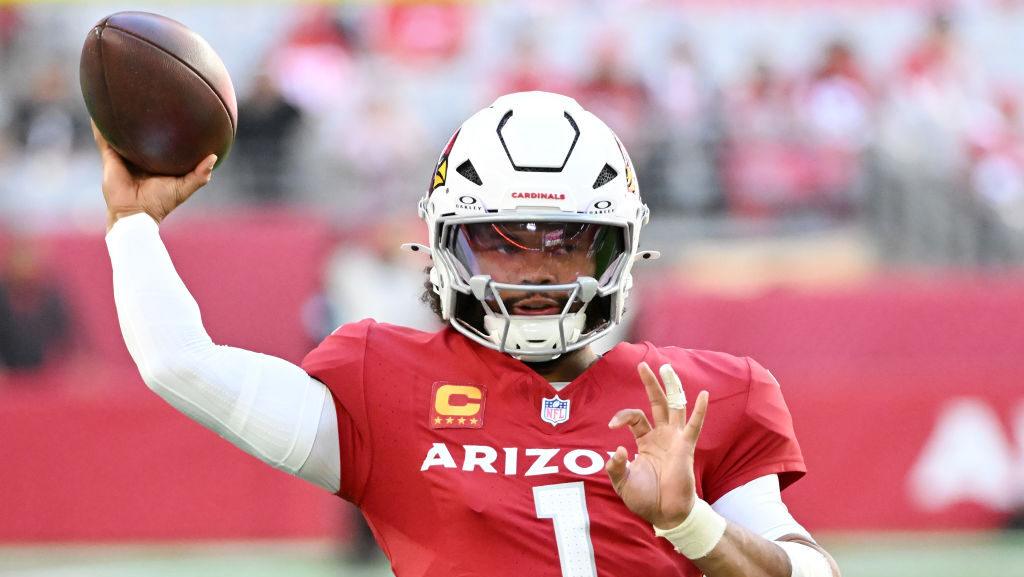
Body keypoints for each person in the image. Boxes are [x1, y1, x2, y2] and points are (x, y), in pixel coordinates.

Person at [95, 91, 839, 577]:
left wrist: (692, 523)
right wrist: (133, 224)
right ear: (445, 243)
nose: (537, 270)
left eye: (568, 240)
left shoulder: (702, 395)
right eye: (500, 241)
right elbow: (180, 362)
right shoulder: (383, 378)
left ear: (619, 248)